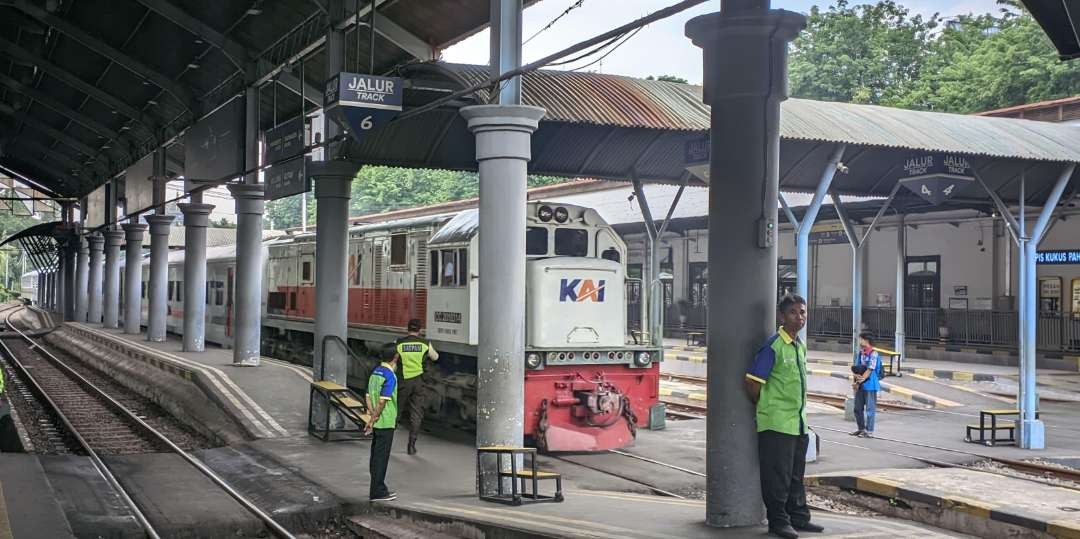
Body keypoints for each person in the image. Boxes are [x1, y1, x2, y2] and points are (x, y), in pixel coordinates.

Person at [744, 294, 823, 539]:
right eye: (793, 312)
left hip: (798, 423)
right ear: (782, 316)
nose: (799, 317)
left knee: (795, 476)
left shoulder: (799, 345)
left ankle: (798, 517)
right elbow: (752, 383)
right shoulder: (773, 346)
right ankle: (778, 522)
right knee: (777, 476)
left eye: (802, 312)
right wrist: (768, 406)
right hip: (777, 423)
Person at [396, 319, 439, 455]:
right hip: (419, 382)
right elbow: (435, 357)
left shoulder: (399, 343)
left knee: (397, 410)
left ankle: (387, 441)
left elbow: (393, 358)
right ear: (419, 330)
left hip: (404, 381)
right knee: (416, 414)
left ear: (407, 329)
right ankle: (411, 446)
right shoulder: (425, 344)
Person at [364, 345, 400, 502]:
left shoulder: (375, 372)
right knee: (381, 457)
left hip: (377, 421)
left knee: (375, 456)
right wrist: (374, 418)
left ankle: (376, 488)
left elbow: (367, 396)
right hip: (385, 422)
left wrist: (371, 417)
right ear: (395, 357)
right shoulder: (390, 376)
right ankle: (378, 491)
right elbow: (382, 401)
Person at [850, 332, 882, 439]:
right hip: (861, 384)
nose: (859, 342)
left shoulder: (874, 354)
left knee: (870, 409)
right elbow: (856, 367)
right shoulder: (861, 353)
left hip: (870, 385)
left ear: (866, 340)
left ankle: (869, 431)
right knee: (857, 408)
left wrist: (859, 381)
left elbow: (869, 370)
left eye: (860, 339)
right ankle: (861, 429)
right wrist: (856, 380)